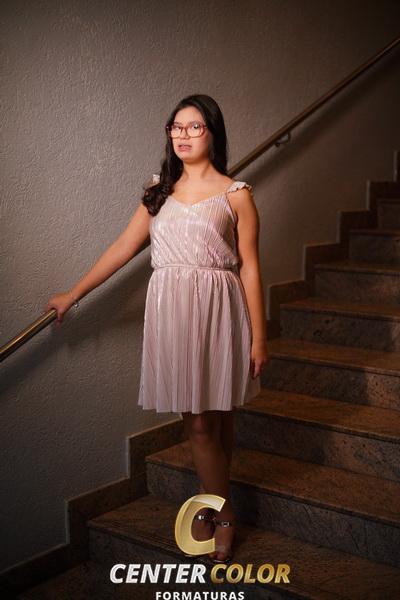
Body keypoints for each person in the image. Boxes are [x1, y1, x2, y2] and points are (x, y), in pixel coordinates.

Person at [45, 93, 269, 564]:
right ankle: (223, 511)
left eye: (194, 127)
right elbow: (123, 248)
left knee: (218, 416)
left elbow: (250, 267)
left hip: (220, 308)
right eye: (176, 127)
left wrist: (259, 336)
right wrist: (74, 292)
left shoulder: (236, 194)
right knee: (200, 421)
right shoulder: (158, 191)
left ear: (213, 133)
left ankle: (213, 509)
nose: (182, 135)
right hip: (173, 311)